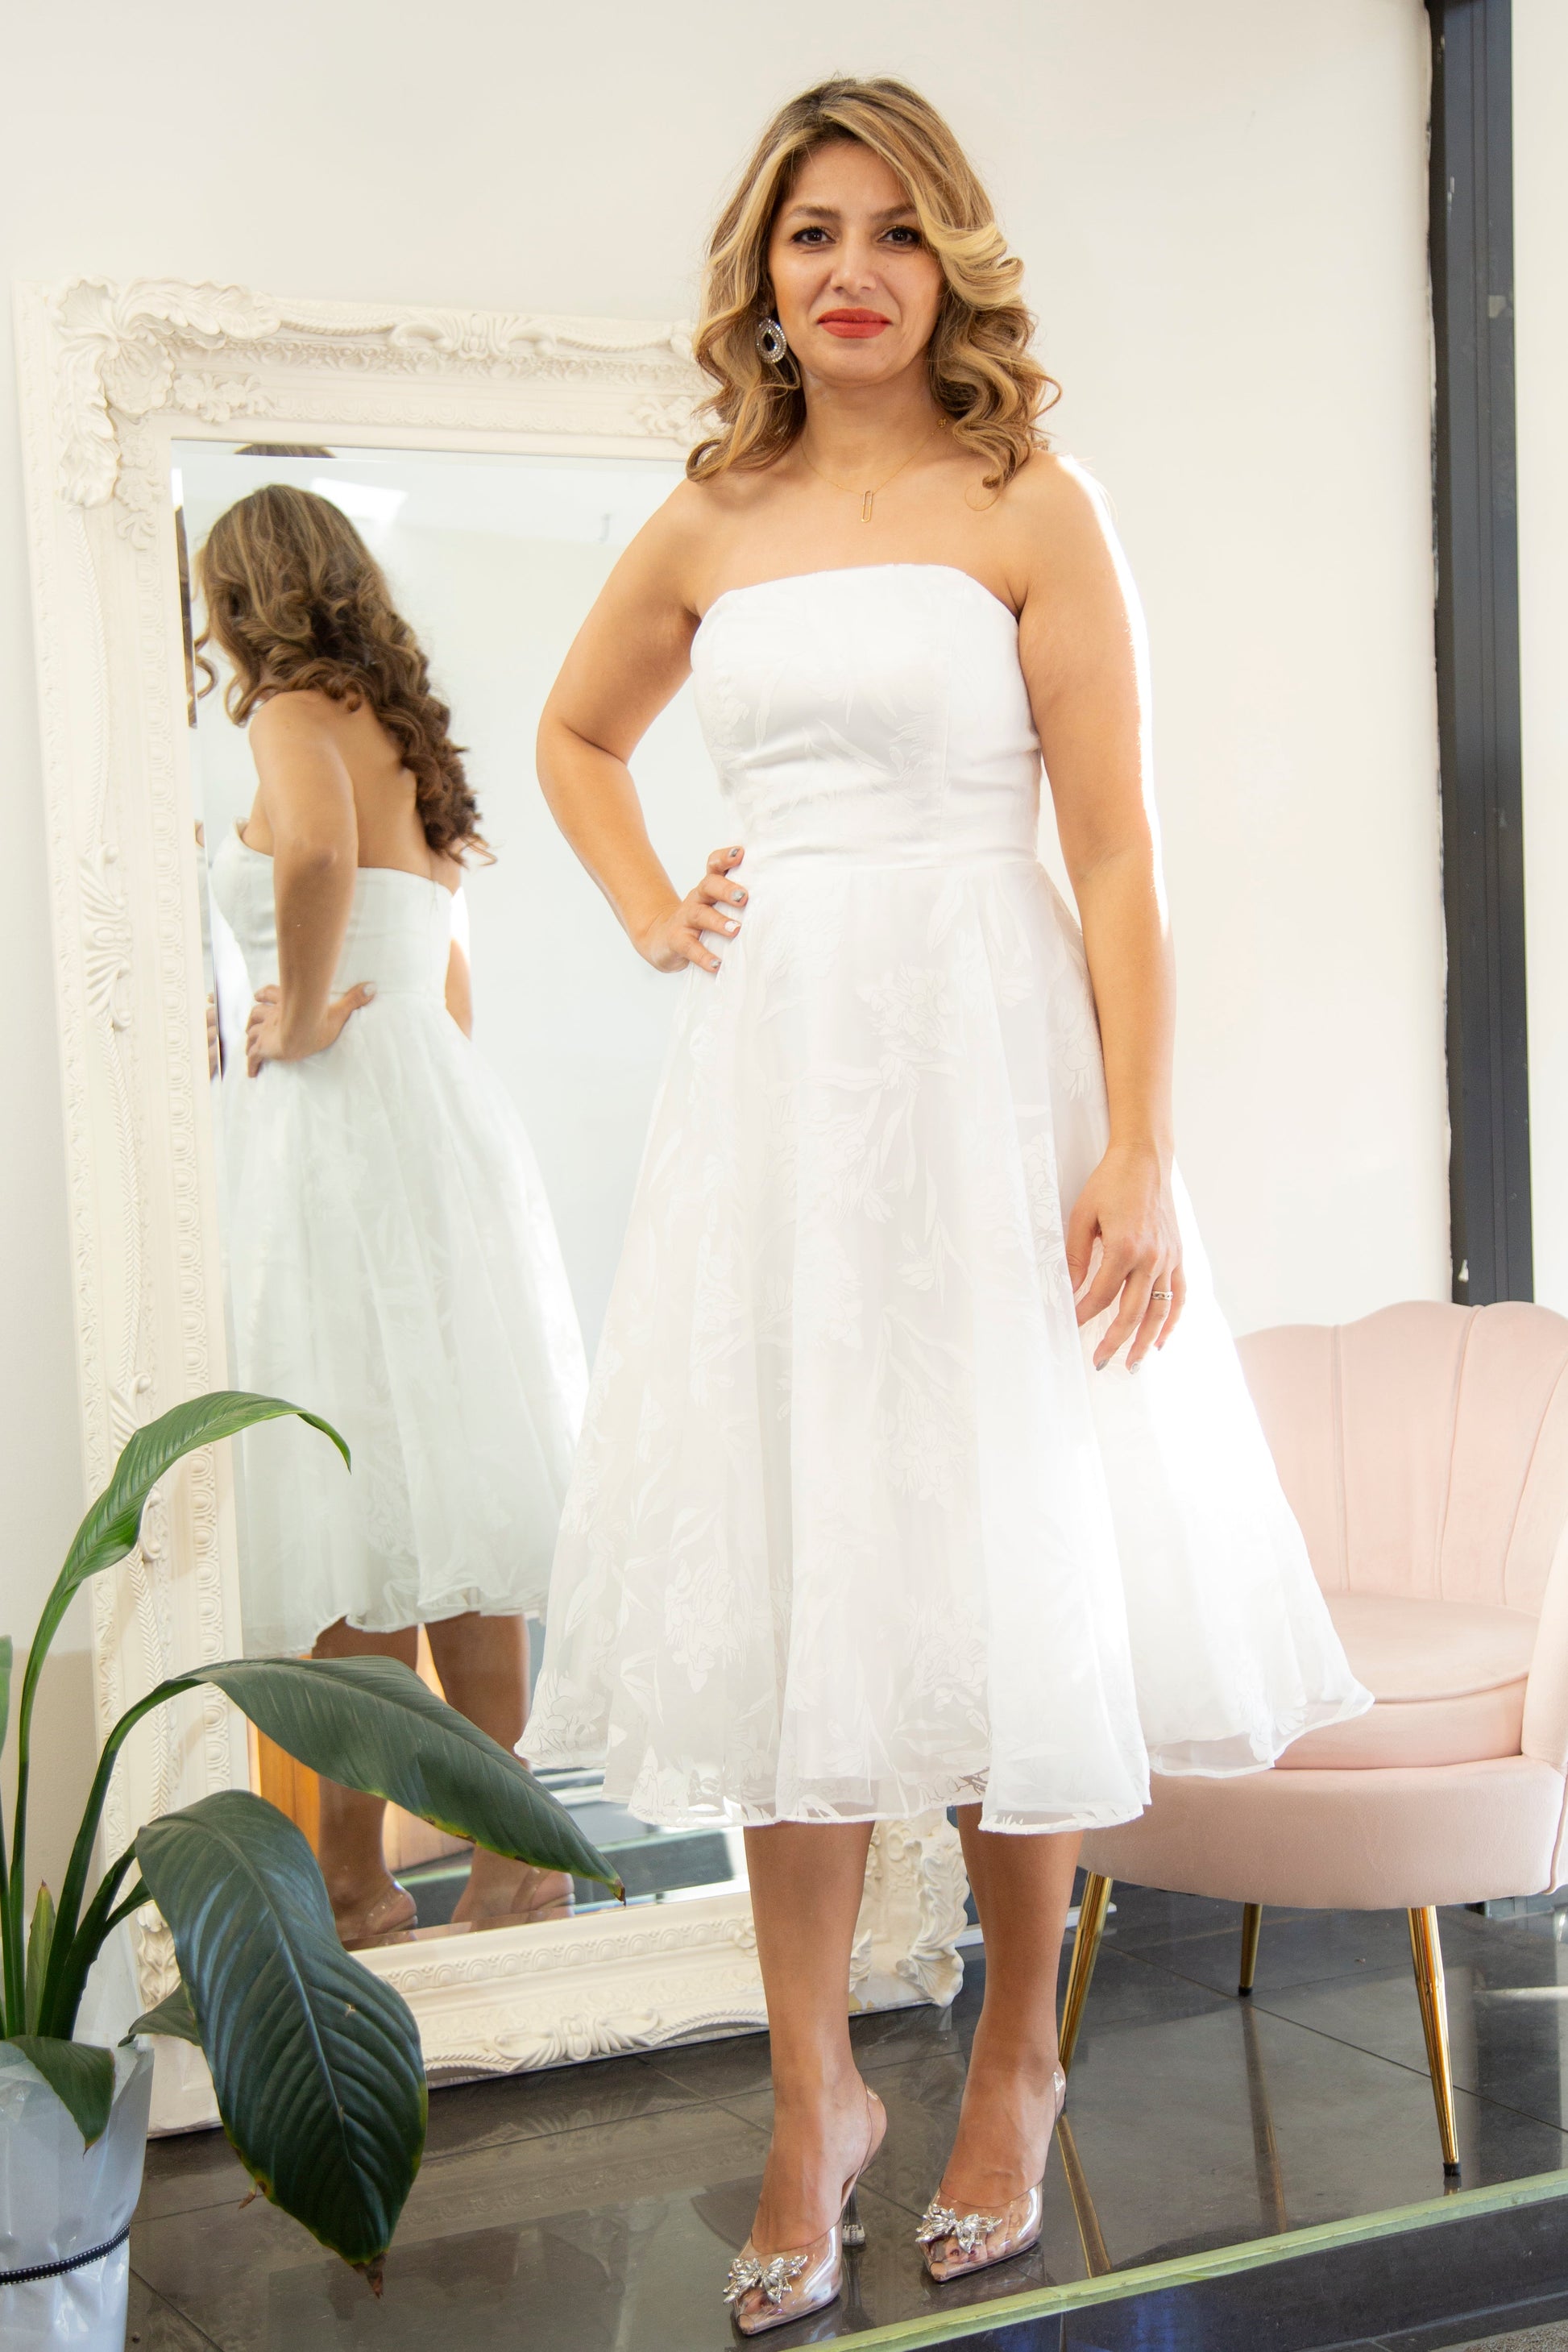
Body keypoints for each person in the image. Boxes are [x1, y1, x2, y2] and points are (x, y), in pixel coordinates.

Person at [520, 77, 1371, 2334]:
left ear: (948, 258)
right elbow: (575, 738)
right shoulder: (711, 511)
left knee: (1014, 1558)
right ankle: (814, 2098)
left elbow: (1115, 853)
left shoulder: (1030, 501)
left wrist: (1140, 1143)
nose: (850, 267)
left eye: (892, 229)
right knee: (797, 1574)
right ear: (762, 271)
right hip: (780, 1087)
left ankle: (1009, 2053)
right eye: (811, 231)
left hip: (998, 1074)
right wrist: (646, 912)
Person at [200, 484, 588, 1943]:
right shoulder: (405, 734)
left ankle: (357, 1882)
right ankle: (510, 1864)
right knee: (463, 1513)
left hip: (342, 1133)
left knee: (349, 1508)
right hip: (439, 1116)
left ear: (247, 595)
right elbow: (448, 975)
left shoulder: (292, 712)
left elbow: (308, 856)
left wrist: (294, 1019)